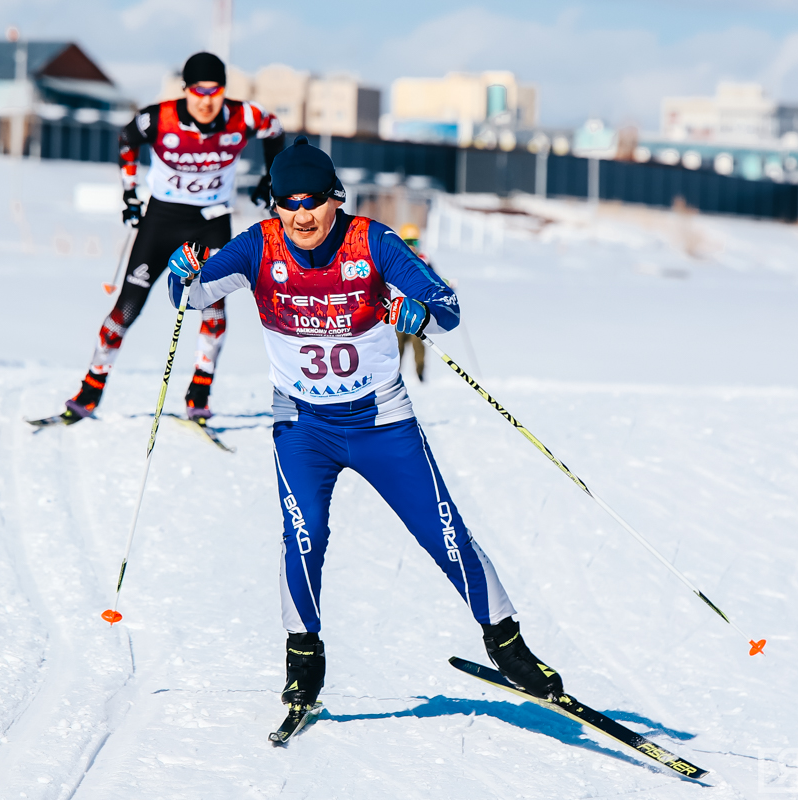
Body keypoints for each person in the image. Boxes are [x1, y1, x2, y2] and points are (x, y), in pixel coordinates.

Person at [165, 137, 564, 718]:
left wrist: (418, 313)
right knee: (304, 537)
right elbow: (193, 297)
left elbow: (447, 305)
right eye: (288, 202)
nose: (302, 215)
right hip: (302, 427)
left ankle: (507, 643)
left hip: (382, 422)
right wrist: (181, 271)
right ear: (274, 203)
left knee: (444, 534)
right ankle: (303, 663)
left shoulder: (371, 240)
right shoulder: (257, 246)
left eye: (314, 201)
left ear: (335, 197)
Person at [54, 52, 284, 424]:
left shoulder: (245, 117)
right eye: (198, 91)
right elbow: (127, 139)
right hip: (162, 220)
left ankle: (199, 393)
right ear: (186, 90)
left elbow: (275, 132)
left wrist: (269, 178)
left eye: (215, 91)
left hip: (211, 223)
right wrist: (129, 194)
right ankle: (91, 390)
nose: (206, 100)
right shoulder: (159, 118)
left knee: (213, 309)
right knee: (125, 310)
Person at [395, 223, 429, 382]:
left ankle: (420, 375)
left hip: (418, 313)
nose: (411, 247)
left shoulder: (424, 262)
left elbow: (435, 283)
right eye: (408, 243)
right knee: (396, 347)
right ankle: (393, 376)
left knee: (419, 346)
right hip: (400, 313)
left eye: (414, 243)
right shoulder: (396, 260)